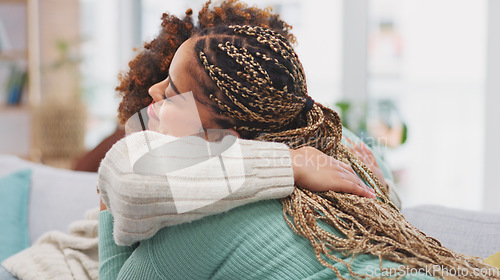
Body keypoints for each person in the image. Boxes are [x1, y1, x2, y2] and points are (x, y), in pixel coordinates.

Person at [98, 1, 498, 280]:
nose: (152, 92)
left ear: (226, 139)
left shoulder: (199, 220)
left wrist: (105, 205)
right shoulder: (329, 158)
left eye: (170, 94)